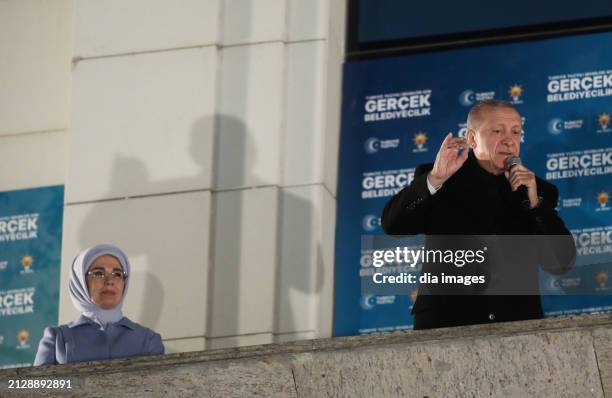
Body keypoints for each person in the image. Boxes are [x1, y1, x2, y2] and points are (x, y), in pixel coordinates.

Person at [381, 99, 576, 330]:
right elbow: (393, 225)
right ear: (472, 138)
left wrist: (536, 206)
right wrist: (434, 179)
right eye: (497, 131)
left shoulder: (538, 192)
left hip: (516, 328)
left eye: (515, 132)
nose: (509, 140)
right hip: (446, 326)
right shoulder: (440, 179)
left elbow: (561, 263)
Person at [34, 244, 164, 365]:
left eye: (117, 274)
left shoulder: (148, 340)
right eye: (98, 273)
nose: (109, 281)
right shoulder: (57, 338)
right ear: (80, 281)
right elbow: (39, 388)